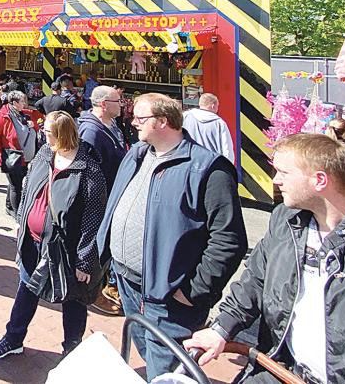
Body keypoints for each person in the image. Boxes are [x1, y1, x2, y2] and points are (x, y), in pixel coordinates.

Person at [185, 133, 345, 383]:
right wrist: (221, 329)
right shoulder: (284, 222)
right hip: (280, 369)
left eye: (284, 173)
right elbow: (253, 284)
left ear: (320, 180)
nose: (276, 180)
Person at [96, 93, 247, 379]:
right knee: (143, 346)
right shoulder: (137, 154)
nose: (132, 122)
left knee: (166, 368)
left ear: (163, 121)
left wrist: (193, 292)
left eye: (140, 118)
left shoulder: (208, 169)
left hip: (168, 296)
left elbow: (229, 240)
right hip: (128, 284)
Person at [0, 111, 107, 359]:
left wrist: (84, 259)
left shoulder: (88, 169)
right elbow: (28, 188)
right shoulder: (44, 155)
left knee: (73, 300)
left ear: (61, 135)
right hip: (33, 242)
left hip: (66, 249)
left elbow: (93, 218)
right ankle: (13, 338)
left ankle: (71, 350)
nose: (43, 135)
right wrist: (21, 221)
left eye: (48, 133)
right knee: (26, 289)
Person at [77, 85, 128, 315]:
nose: (123, 104)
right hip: (100, 199)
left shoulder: (112, 126)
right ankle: (93, 290)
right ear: (104, 104)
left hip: (114, 195)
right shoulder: (91, 132)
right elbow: (86, 172)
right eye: (118, 101)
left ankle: (106, 286)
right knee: (98, 245)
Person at [0, 91, 38, 217]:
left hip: (23, 156)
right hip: (12, 155)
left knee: (14, 183)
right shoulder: (2, 116)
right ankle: (18, 214)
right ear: (14, 103)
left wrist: (32, 126)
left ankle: (9, 206)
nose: (25, 104)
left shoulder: (21, 113)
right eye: (22, 102)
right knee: (16, 186)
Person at [181, 92, 235, 163]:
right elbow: (227, 148)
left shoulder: (185, 116)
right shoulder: (219, 123)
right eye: (217, 106)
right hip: (211, 164)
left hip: (189, 161)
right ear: (213, 106)